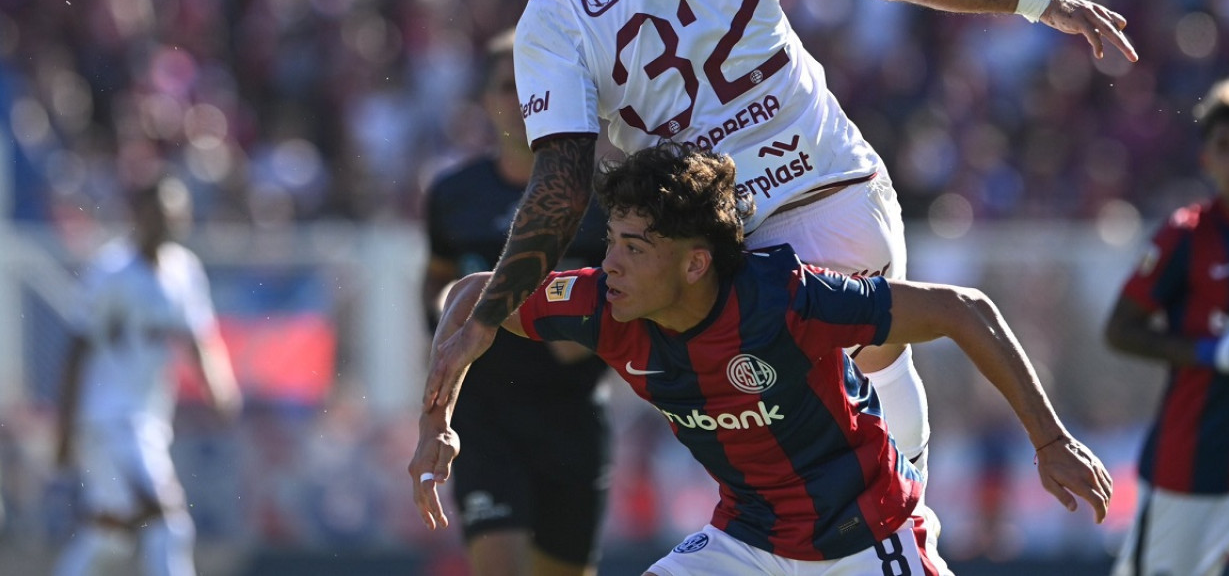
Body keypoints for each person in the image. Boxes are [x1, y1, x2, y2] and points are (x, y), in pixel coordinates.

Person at [422, 0, 1139, 479]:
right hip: (852, 197)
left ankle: (891, 535)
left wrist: (487, 320)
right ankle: (913, 513)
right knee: (883, 358)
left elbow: (559, 187)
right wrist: (1037, 2)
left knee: (796, 458)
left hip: (750, 256)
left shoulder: (553, 17)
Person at [410, 142, 1113, 575]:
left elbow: (966, 309)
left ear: (694, 263)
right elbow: (472, 292)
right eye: (613, 239)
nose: (609, 262)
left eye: (633, 246)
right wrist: (435, 420)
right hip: (745, 543)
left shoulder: (787, 299)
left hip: (864, 540)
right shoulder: (601, 304)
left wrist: (1049, 441)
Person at [420, 28, 613, 576]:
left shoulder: (600, 195)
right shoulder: (454, 195)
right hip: (487, 416)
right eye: (507, 85)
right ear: (486, 100)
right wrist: (444, 331)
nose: (520, 96)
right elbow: (435, 280)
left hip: (572, 414)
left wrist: (591, 336)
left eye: (531, 82)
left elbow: (629, 290)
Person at [1104, 77, 1229, 576]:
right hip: (1185, 478)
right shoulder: (1187, 236)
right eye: (1225, 147)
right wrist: (1217, 352)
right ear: (1206, 161)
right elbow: (1119, 330)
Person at [53, 177, 242, 576]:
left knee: (112, 531)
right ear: (137, 215)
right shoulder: (110, 272)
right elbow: (76, 351)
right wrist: (65, 429)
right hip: (107, 419)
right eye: (159, 214)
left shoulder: (184, 270)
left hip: (148, 417)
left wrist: (220, 389)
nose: (168, 223)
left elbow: (200, 339)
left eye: (176, 215)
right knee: (169, 523)